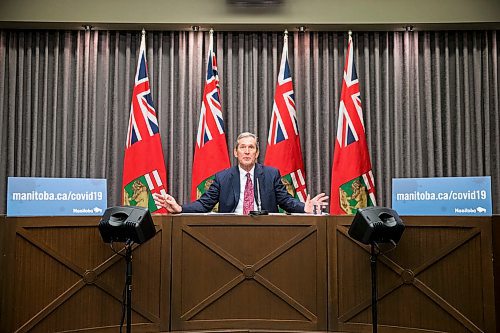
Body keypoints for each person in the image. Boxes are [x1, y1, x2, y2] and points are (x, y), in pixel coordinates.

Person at [153, 132, 328, 214]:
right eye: (242, 148)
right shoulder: (223, 178)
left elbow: (286, 201)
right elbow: (204, 204)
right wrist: (180, 208)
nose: (246, 151)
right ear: (235, 153)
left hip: (267, 232)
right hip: (232, 232)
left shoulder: (271, 174)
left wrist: (304, 207)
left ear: (257, 153)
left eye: (251, 147)